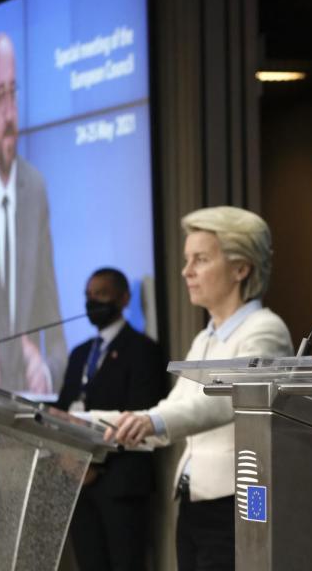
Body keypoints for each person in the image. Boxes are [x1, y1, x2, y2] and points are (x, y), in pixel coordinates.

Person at [95, 207, 292, 571]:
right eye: (187, 260)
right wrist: (85, 423)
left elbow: (222, 401)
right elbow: (175, 406)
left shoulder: (265, 330)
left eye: (200, 259)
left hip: (236, 505)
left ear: (240, 268)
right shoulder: (206, 337)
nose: (186, 272)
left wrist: (151, 421)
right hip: (195, 502)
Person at [0, 31, 65, 394]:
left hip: (33, 394)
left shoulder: (36, 188)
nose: (8, 111)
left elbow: (54, 315)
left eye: (12, 93)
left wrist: (47, 370)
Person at [55, 268, 169, 571]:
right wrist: (72, 459)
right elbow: (64, 409)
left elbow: (142, 413)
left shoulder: (143, 350)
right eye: (88, 296)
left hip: (120, 483)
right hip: (78, 481)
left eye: (101, 294)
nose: (92, 302)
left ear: (123, 298)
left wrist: (97, 465)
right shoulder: (80, 354)